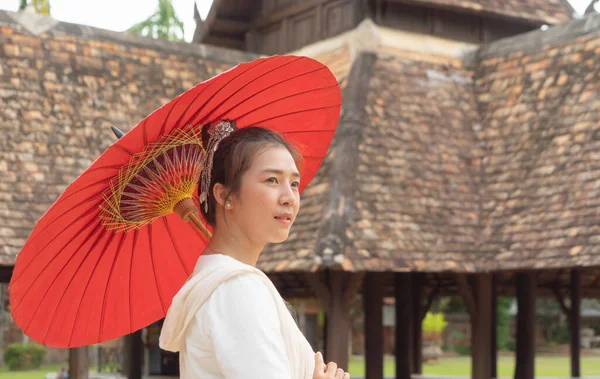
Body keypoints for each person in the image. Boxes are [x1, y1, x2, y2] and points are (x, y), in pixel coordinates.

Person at [159, 125, 350, 379]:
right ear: (225, 195)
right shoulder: (237, 288)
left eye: (294, 183)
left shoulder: (223, 282)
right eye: (272, 180)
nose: (289, 198)